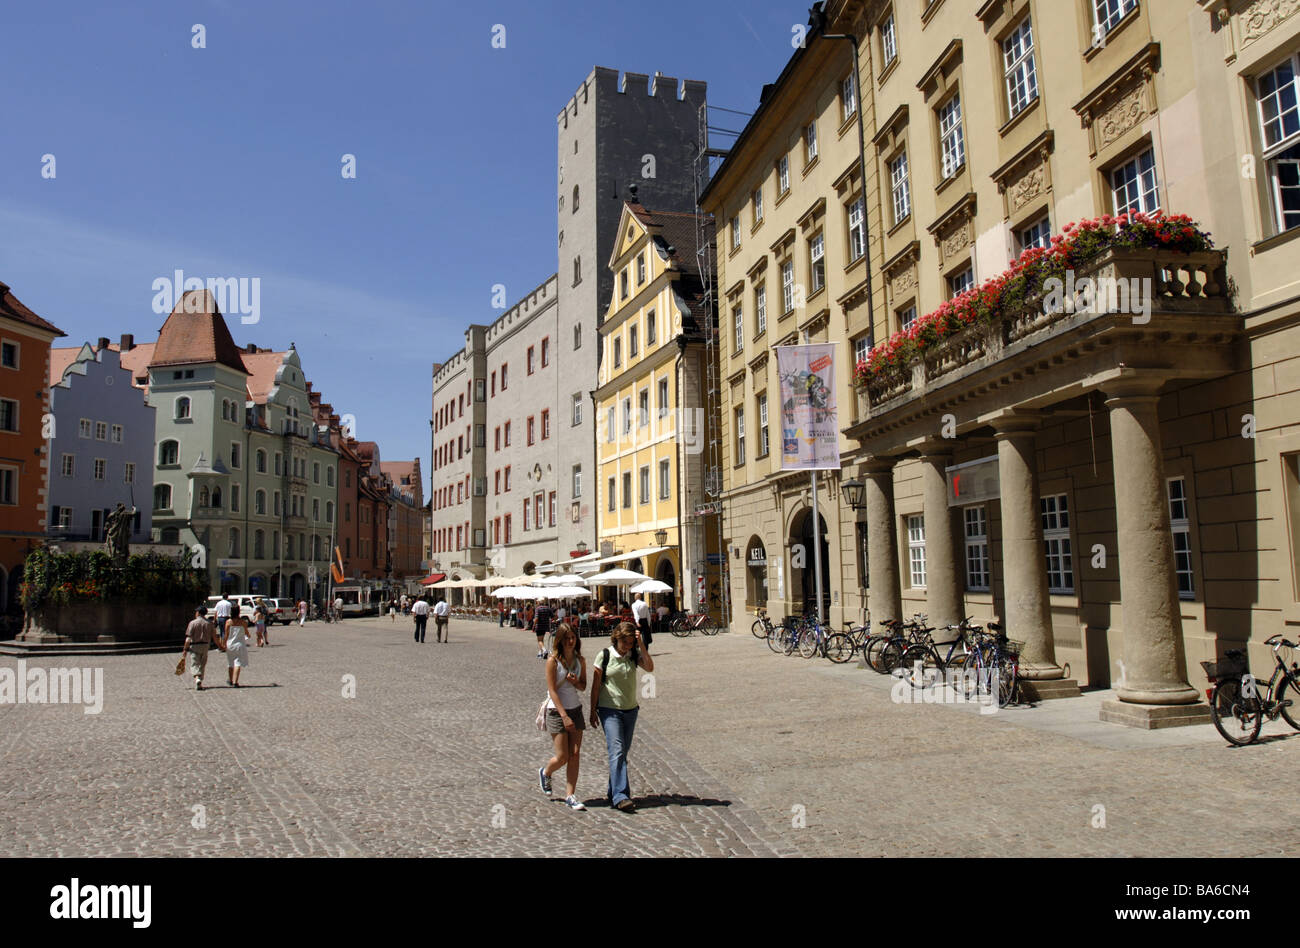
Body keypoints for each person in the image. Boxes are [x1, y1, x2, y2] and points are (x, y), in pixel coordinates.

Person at [589, 622, 653, 811]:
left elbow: (649, 668)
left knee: (622, 754)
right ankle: (621, 796)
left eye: (631, 642)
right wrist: (592, 710)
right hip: (609, 710)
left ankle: (613, 791)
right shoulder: (605, 655)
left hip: (630, 709)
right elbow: (595, 685)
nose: (627, 646)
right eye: (625, 642)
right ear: (616, 638)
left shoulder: (633, 655)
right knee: (616, 751)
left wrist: (641, 645)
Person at [539, 623, 587, 811]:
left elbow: (583, 686)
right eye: (566, 638)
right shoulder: (553, 661)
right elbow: (552, 690)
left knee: (575, 754)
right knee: (562, 756)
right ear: (559, 640)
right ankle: (546, 771)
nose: (570, 641)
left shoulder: (579, 660)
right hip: (557, 711)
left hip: (575, 708)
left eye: (573, 638)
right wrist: (564, 715)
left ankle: (570, 795)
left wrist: (576, 682)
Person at [182, 606, 217, 691]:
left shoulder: (193, 623)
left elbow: (188, 638)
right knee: (202, 664)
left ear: (198, 613)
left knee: (195, 663)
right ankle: (200, 682)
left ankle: (197, 678)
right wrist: (219, 645)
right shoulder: (210, 623)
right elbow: (214, 636)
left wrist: (185, 649)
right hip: (206, 646)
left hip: (195, 645)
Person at [225, 604, 251, 687]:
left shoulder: (228, 622)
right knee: (238, 662)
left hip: (230, 644)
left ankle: (230, 679)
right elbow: (247, 633)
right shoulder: (243, 622)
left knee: (230, 663)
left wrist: (223, 644)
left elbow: (226, 634)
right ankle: (235, 682)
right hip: (239, 644)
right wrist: (248, 635)